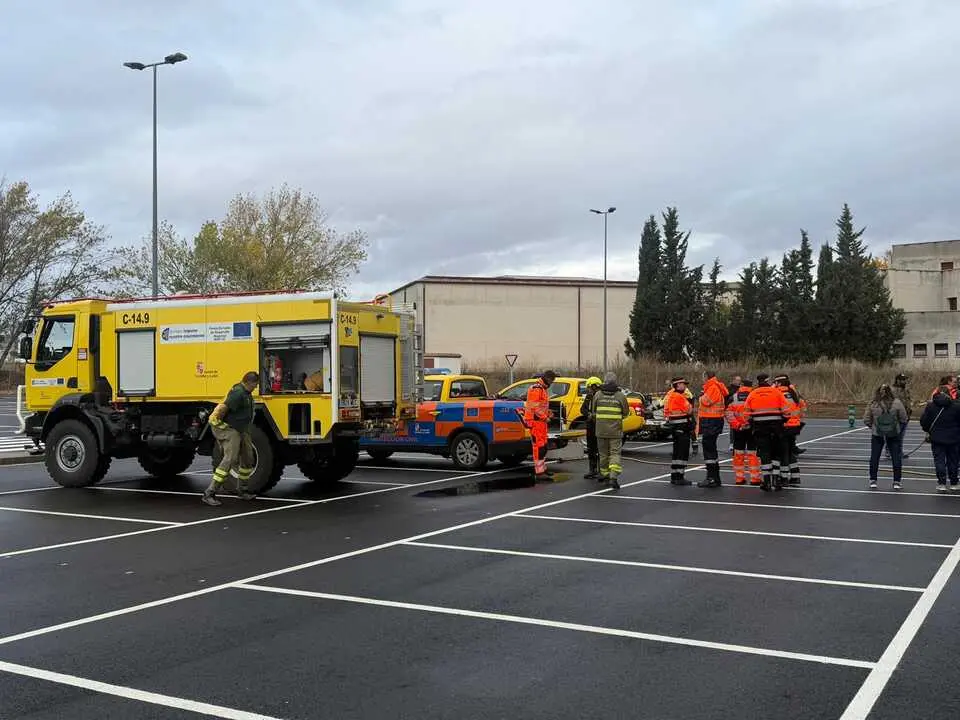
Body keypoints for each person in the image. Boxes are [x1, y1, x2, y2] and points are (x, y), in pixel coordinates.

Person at [204, 371, 259, 506]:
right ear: (249, 382)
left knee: (248, 458)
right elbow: (222, 409)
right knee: (230, 459)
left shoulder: (246, 393)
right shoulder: (238, 393)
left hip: (242, 430)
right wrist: (220, 425)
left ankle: (242, 490)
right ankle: (210, 492)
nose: (256, 387)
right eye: (255, 384)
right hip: (232, 429)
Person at [743, 373, 790, 491]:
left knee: (764, 454)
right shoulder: (776, 392)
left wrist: (753, 422)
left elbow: (746, 414)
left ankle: (767, 481)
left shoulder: (753, 394)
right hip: (776, 428)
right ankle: (776, 480)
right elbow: (787, 411)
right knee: (776, 454)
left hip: (760, 429)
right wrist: (782, 420)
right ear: (768, 381)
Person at [864, 383, 908, 491]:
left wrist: (874, 427)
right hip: (893, 433)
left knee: (875, 457)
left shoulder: (873, 403)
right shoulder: (897, 402)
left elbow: (866, 419)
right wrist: (897, 428)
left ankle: (873, 480)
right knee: (896, 457)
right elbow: (904, 418)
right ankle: (896, 481)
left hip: (877, 433)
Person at [591, 372, 629, 489]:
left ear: (604, 381)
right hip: (615, 431)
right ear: (615, 381)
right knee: (615, 453)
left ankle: (605, 475)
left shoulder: (597, 394)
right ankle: (613, 478)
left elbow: (593, 412)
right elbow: (626, 413)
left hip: (600, 430)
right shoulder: (620, 396)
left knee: (603, 454)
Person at [919, 385, 960, 493]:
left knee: (939, 460)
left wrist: (928, 430)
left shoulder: (931, 406)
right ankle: (954, 483)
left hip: (937, 438)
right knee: (953, 461)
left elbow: (924, 421)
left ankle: (941, 483)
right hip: (954, 437)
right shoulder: (956, 406)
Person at [696, 370, 728, 488]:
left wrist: (700, 397)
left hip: (711, 421)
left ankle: (712, 478)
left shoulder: (712, 387)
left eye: (703, 376)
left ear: (706, 376)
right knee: (711, 448)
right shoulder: (714, 386)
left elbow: (707, 401)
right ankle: (714, 477)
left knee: (709, 449)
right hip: (713, 421)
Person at [726, 378, 760, 485]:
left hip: (738, 430)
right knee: (752, 453)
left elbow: (729, 414)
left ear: (741, 386)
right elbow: (758, 412)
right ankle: (755, 478)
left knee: (738, 453)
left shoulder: (734, 397)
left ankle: (739, 478)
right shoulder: (754, 396)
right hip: (752, 429)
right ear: (751, 386)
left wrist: (737, 425)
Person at [774, 374, 806, 486]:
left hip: (784, 426)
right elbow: (802, 406)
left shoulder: (778, 393)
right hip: (795, 426)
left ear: (779, 383)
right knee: (790, 451)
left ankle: (783, 478)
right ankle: (795, 476)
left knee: (782, 453)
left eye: (775, 382)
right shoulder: (793, 393)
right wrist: (798, 418)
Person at [525, 370, 556, 480]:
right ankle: (538, 472)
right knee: (539, 447)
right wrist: (545, 417)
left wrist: (548, 413)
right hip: (536, 422)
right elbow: (535, 407)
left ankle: (542, 468)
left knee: (543, 446)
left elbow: (542, 406)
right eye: (552, 380)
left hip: (541, 422)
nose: (552, 383)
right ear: (547, 378)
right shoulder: (536, 389)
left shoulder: (542, 389)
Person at [664, 376, 695, 485]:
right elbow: (689, 410)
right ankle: (679, 477)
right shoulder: (679, 397)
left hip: (676, 428)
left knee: (677, 452)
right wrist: (690, 402)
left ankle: (675, 476)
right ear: (677, 385)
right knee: (682, 452)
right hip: (682, 428)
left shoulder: (671, 396)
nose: (685, 386)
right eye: (683, 384)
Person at [581, 376, 603, 480]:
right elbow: (582, 409)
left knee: (600, 449)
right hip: (590, 426)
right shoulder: (589, 396)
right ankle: (592, 470)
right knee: (591, 448)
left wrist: (595, 416)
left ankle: (601, 471)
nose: (588, 389)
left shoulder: (602, 396)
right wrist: (588, 414)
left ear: (594, 386)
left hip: (600, 425)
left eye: (589, 387)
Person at [890, 373, 911, 459]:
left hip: (905, 416)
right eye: (903, 380)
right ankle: (889, 452)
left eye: (905, 380)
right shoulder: (892, 390)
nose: (905, 381)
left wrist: (909, 411)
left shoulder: (906, 390)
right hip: (895, 417)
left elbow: (908, 401)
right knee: (892, 435)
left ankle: (899, 452)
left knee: (901, 436)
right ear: (898, 380)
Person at [724, 375, 742, 453]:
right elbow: (726, 399)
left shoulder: (741, 389)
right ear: (733, 380)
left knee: (740, 426)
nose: (738, 382)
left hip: (739, 410)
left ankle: (738, 442)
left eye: (739, 380)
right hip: (731, 410)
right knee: (732, 427)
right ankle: (732, 443)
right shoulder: (729, 389)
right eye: (737, 380)